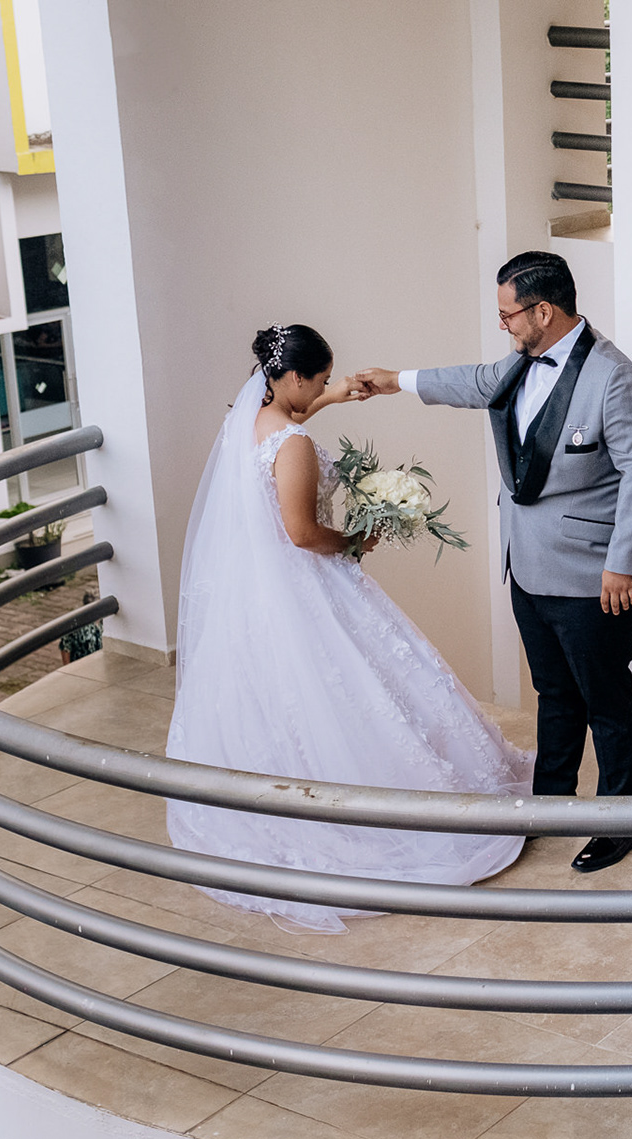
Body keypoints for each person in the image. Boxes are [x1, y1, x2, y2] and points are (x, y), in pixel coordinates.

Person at [165, 323, 534, 933]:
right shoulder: (292, 445)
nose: (323, 387)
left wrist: (333, 399)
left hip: (258, 591)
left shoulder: (247, 420)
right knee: (358, 688)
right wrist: (357, 541)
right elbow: (303, 533)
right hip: (307, 582)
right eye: (320, 379)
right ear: (292, 377)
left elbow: (289, 423)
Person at [354, 250, 632, 874]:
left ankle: (621, 820)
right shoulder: (519, 362)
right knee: (554, 693)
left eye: (507, 314)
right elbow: (471, 382)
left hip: (595, 576)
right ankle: (550, 804)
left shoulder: (616, 377)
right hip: (526, 565)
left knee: (605, 700)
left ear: (542, 311)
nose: (502, 325)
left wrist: (625, 564)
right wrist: (395, 381)